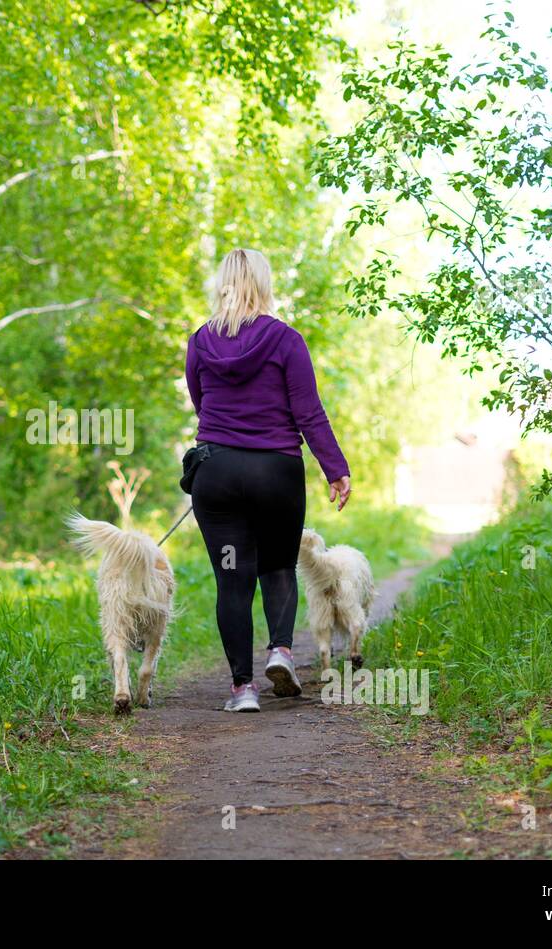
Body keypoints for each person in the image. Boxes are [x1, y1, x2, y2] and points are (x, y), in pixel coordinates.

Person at [185, 248, 352, 712]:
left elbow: (202, 403)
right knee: (278, 566)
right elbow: (308, 412)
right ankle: (280, 650)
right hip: (275, 473)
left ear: (224, 283)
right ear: (264, 283)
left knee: (232, 579)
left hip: (216, 474)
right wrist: (335, 468)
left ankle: (242, 690)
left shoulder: (201, 340)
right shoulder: (285, 340)